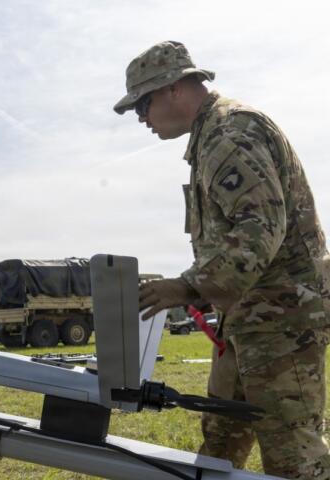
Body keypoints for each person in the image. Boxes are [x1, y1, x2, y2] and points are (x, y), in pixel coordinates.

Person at [114, 40, 330, 478]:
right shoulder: (215, 135)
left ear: (175, 88)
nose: (141, 117)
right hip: (248, 320)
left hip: (281, 324)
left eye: (143, 103)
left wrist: (187, 286)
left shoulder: (230, 134)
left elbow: (258, 231)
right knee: (220, 446)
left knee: (293, 458)